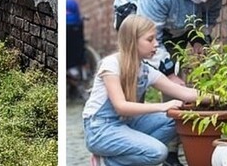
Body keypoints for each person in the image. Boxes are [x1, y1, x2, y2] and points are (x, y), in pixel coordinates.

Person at [83, 15, 209, 166]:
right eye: (150, 40)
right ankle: (106, 162)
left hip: (127, 124)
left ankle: (124, 158)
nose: (156, 44)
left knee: (176, 119)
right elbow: (121, 106)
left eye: (156, 39)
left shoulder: (145, 71)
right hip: (101, 129)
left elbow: (185, 93)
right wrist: (162, 106)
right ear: (132, 41)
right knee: (158, 152)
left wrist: (223, 99)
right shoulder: (111, 65)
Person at [66, 0, 87, 96]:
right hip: (74, 30)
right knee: (77, 50)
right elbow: (78, 17)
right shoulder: (72, 2)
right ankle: (75, 72)